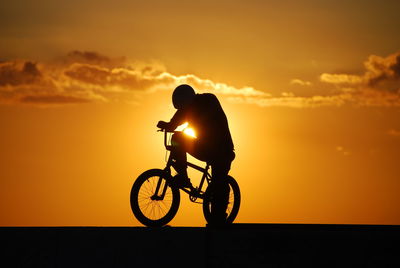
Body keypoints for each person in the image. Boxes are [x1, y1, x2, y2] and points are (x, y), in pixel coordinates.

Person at [157, 84, 235, 225]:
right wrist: (165, 125)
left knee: (219, 183)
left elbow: (206, 116)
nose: (182, 111)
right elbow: (174, 123)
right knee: (177, 138)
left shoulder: (208, 100)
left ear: (188, 100)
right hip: (205, 147)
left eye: (183, 107)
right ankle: (183, 177)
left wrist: (192, 121)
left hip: (222, 151)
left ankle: (219, 217)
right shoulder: (186, 109)